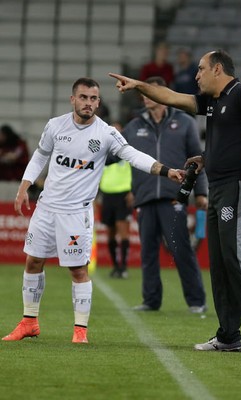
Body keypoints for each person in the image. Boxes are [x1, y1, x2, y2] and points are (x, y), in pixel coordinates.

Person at [109, 49, 241, 354]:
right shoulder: (212, 101)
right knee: (218, 263)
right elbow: (171, 96)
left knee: (237, 257)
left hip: (240, 185)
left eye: (201, 69)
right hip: (219, 186)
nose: (196, 75)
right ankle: (229, 334)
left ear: (218, 69)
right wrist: (139, 85)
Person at [2, 77, 183, 344]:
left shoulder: (106, 133)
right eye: (84, 97)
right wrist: (24, 185)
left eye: (93, 98)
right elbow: (41, 155)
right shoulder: (55, 126)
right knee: (33, 262)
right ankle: (29, 322)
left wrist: (166, 171)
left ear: (98, 102)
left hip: (76, 213)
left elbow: (133, 155)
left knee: (77, 270)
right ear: (73, 99)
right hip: (46, 208)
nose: (89, 103)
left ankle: (80, 331)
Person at [122, 76, 208, 313]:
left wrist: (201, 192)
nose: (146, 97)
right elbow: (116, 153)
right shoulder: (134, 125)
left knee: (181, 249)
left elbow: (197, 158)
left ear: (162, 94)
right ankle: (151, 300)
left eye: (151, 92)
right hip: (145, 196)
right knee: (148, 252)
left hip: (175, 197)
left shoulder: (184, 122)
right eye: (144, 93)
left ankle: (196, 301)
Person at [99, 122, 133, 279]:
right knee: (110, 233)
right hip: (107, 195)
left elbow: (137, 171)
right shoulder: (101, 152)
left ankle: (123, 267)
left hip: (122, 195)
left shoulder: (127, 151)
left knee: (122, 230)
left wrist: (133, 191)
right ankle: (115, 266)